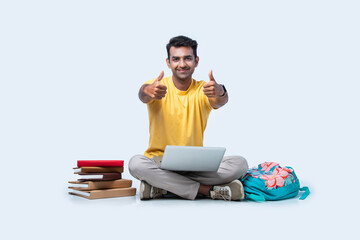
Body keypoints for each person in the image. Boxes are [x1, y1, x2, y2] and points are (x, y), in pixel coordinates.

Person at [129, 36, 248, 201]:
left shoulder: (204, 89)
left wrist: (220, 91)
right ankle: (206, 190)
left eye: (187, 58)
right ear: (168, 62)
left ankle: (162, 186)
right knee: (136, 164)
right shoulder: (158, 86)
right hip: (158, 162)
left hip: (194, 166)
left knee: (240, 164)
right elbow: (143, 93)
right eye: (176, 59)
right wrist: (148, 91)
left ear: (196, 61)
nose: (182, 64)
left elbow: (220, 101)